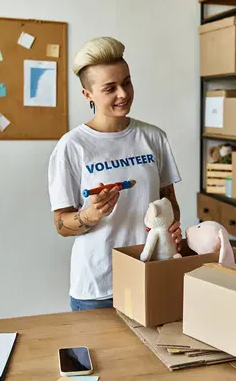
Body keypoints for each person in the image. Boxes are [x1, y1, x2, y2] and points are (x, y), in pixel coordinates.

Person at [47, 37, 182, 311]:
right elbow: (61, 225)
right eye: (110, 88)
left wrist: (171, 229)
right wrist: (91, 215)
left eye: (127, 82)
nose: (123, 94)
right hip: (98, 286)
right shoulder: (72, 146)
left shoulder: (153, 137)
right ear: (88, 95)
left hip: (151, 274)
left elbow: (169, 203)